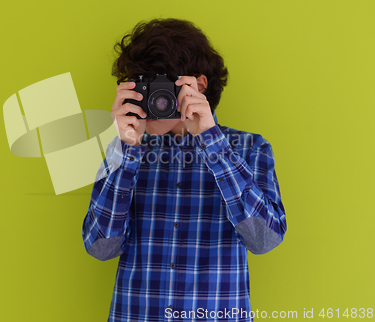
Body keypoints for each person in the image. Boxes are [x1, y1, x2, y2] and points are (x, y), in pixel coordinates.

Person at [82, 18, 286, 322]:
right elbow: (101, 247)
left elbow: (265, 240)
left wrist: (212, 142)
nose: (145, 98)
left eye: (155, 85)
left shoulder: (250, 149)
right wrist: (127, 150)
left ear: (198, 85)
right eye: (138, 85)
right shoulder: (123, 151)